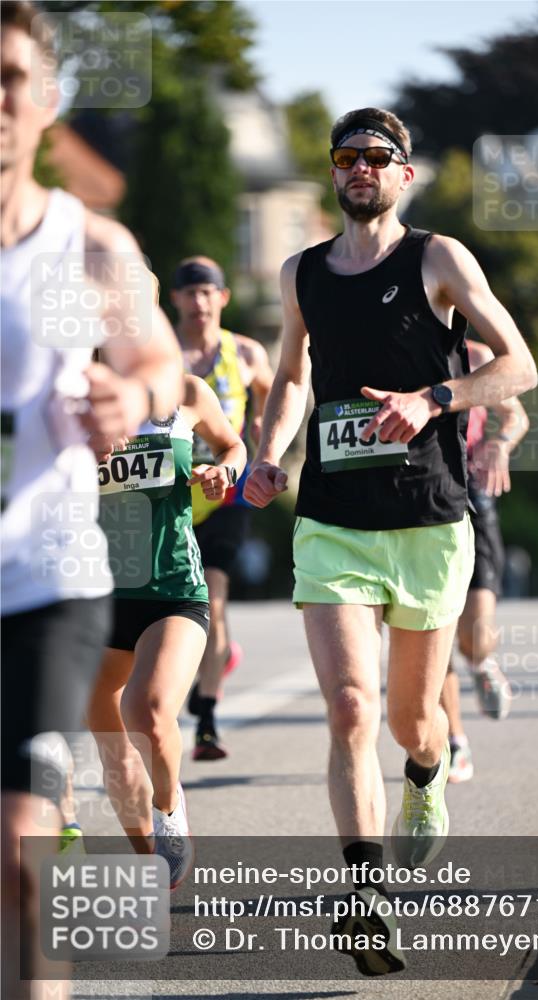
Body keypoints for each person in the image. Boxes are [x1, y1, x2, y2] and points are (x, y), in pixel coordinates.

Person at [244, 106, 537, 975]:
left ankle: (426, 776)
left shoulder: (438, 258)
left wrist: (432, 402)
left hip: (427, 518)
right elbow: (292, 375)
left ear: (403, 175)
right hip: (333, 519)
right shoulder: (303, 273)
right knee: (349, 707)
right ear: (334, 174)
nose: (361, 168)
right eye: (347, 157)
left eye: (378, 156)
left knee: (413, 722)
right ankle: (365, 896)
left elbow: (516, 364)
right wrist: (269, 454)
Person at [0, 4, 183, 997]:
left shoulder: (83, 248)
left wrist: (134, 393)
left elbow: (155, 355)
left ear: (47, 100)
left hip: (43, 577)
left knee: (20, 843)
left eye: (9, 77)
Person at [87, 372, 246, 886]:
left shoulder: (187, 390)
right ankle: (148, 861)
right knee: (114, 752)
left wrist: (225, 472)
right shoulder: (71, 392)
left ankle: (169, 806)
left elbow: (234, 445)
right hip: (97, 596)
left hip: (173, 589)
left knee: (148, 712)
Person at [173, 257, 273, 759]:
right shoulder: (160, 352)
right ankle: (209, 661)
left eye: (208, 292)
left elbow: (279, 399)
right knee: (175, 604)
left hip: (227, 487)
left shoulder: (247, 352)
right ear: (176, 300)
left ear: (223, 298)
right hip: (170, 492)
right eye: (190, 293)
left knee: (212, 598)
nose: (199, 301)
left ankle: (207, 722)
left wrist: (265, 441)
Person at [440, 340, 529, 783]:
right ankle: (455, 741)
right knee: (431, 636)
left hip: (471, 496)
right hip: (414, 499)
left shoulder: (475, 357)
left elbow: (516, 416)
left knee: (475, 632)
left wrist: (500, 444)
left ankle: (481, 663)